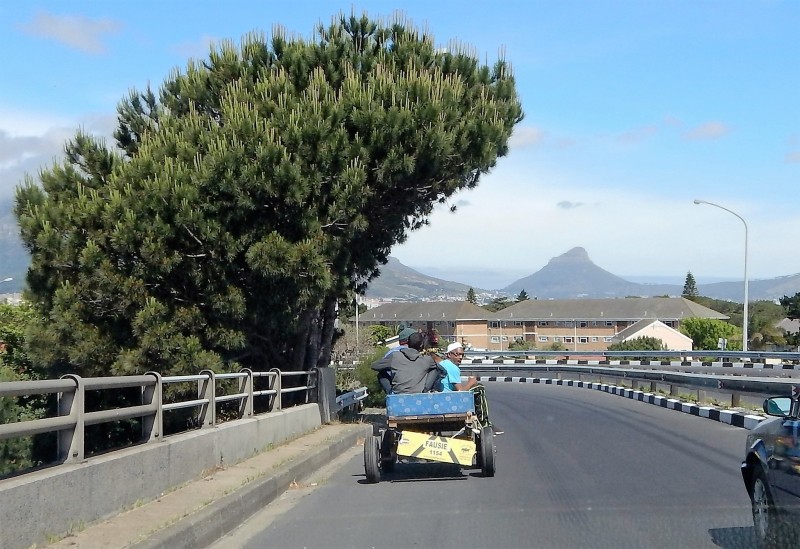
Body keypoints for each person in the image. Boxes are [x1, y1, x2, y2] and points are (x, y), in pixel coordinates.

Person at [438, 342, 503, 434]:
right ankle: (484, 423)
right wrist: (471, 382)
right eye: (457, 354)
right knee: (479, 388)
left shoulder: (442, 364)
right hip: (449, 399)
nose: (460, 357)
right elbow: (460, 392)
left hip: (440, 399)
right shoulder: (452, 367)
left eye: (462, 355)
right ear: (449, 354)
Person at [371, 332, 442, 394]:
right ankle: (425, 391)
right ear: (421, 346)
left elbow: (374, 366)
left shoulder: (395, 356)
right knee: (435, 369)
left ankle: (391, 393)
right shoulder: (427, 360)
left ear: (407, 343)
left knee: (381, 373)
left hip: (399, 392)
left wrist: (394, 368)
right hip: (419, 392)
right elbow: (441, 369)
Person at [373, 327, 417, 394]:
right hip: (414, 385)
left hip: (398, 386)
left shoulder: (392, 352)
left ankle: (391, 394)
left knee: (382, 374)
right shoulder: (414, 352)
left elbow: (375, 366)